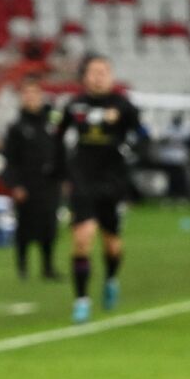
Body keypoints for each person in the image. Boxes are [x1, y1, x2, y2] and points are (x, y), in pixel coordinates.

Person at [59, 54, 141, 323]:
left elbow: (141, 133)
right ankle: (81, 299)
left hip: (112, 182)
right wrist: (60, 169)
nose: (98, 76)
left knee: (112, 245)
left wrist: (125, 140)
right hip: (83, 180)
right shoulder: (74, 106)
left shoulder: (123, 105)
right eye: (93, 71)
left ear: (111, 76)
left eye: (104, 71)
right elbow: (57, 136)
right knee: (82, 239)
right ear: (85, 77)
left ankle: (111, 278)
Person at [0, 75, 63, 280]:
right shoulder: (16, 127)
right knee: (25, 227)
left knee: (49, 226)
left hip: (49, 183)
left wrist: (64, 176)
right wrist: (15, 184)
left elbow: (61, 151)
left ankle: (48, 266)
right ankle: (23, 267)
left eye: (34, 93)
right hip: (27, 184)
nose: (31, 98)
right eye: (26, 93)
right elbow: (9, 160)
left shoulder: (52, 123)